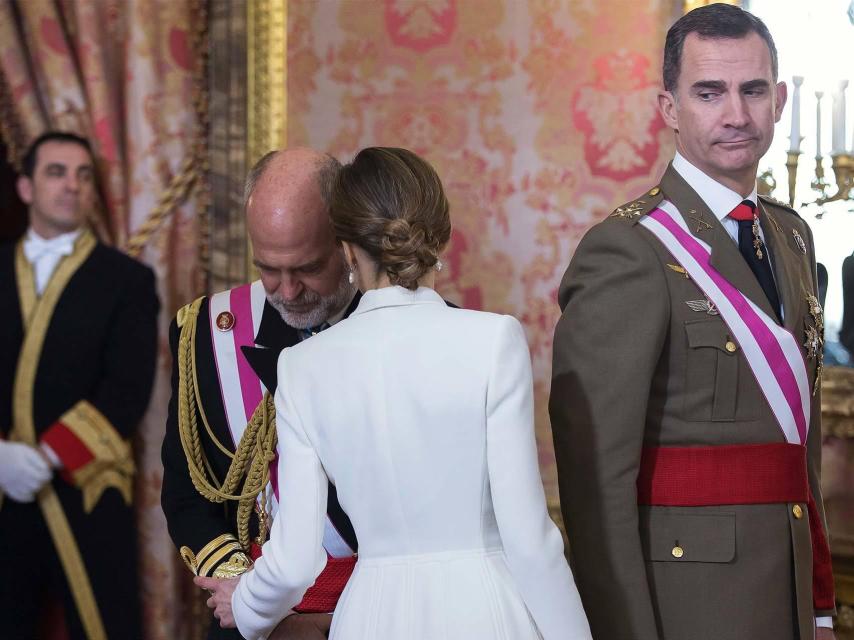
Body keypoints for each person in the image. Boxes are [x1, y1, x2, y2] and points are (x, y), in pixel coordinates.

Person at [198, 147, 592, 640]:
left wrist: (250, 610)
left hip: (368, 615)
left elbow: (294, 559)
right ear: (441, 236)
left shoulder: (300, 367)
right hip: (484, 610)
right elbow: (531, 542)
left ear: (344, 248)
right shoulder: (494, 340)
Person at [550, 5, 835, 640]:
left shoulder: (790, 236)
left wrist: (817, 602)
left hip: (783, 589)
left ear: (780, 99)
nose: (737, 114)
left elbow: (798, 449)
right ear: (669, 108)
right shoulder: (630, 249)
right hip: (687, 602)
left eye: (753, 90)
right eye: (710, 93)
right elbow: (595, 484)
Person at [161, 148, 361, 640]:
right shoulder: (207, 333)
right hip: (252, 614)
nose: (288, 291)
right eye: (269, 268)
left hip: (376, 608)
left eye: (308, 268)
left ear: (348, 240)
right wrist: (248, 592)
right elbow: (187, 494)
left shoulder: (420, 329)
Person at [0, 131, 159, 639]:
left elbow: (126, 388)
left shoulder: (126, 279)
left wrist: (47, 457)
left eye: (83, 174)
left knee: (104, 623)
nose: (72, 185)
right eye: (56, 172)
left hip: (85, 486)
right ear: (25, 187)